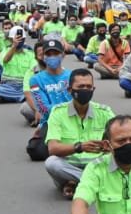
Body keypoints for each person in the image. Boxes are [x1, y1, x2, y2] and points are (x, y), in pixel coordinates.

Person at [45, 69, 116, 198]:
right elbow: (52, 148)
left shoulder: (105, 112)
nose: (85, 90)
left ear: (93, 89)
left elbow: (119, 140)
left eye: (88, 86)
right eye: (81, 87)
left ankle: (74, 183)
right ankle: (97, 184)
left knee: (126, 157)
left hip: (97, 164)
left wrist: (109, 148)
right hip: (69, 164)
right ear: (69, 90)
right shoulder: (58, 112)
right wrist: (79, 147)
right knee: (52, 163)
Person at [25, 37, 74, 126]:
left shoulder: (73, 76)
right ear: (43, 57)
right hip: (49, 124)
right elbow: (43, 109)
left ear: (63, 55)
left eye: (56, 53)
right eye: (49, 54)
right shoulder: (35, 80)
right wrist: (70, 109)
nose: (52, 57)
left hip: (73, 121)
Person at [0, 26, 38, 104]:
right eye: (16, 38)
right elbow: (5, 60)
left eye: (21, 38)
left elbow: (33, 70)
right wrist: (14, 46)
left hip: (25, 86)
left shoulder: (30, 54)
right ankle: (23, 97)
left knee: (38, 89)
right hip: (9, 86)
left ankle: (10, 97)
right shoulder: (5, 51)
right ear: (11, 39)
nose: (19, 40)